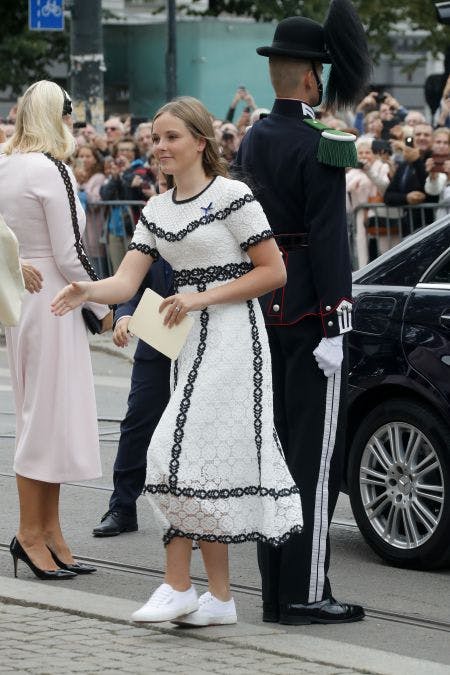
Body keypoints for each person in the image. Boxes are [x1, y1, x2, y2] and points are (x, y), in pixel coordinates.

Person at [52, 96, 303, 626]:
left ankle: (176, 585)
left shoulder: (233, 196)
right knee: (196, 463)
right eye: (155, 138)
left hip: (234, 337)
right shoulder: (157, 208)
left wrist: (201, 297)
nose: (160, 147)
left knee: (171, 453)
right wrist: (86, 291)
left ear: (200, 141)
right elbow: (127, 279)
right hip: (182, 338)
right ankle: (220, 597)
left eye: (170, 137)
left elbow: (273, 272)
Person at [235, 0, 370, 625]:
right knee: (313, 466)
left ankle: (275, 591)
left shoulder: (255, 137)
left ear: (276, 75)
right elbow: (329, 241)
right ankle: (306, 592)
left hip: (266, 315)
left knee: (275, 461)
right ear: (314, 78)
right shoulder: (326, 142)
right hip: (313, 319)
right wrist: (338, 323)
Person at [0, 80, 110, 580]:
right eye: (68, 114)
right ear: (55, 117)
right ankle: (30, 533)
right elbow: (72, 254)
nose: (72, 122)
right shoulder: (52, 170)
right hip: (58, 298)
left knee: (38, 416)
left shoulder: (6, 163)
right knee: (49, 418)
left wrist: (14, 260)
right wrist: (104, 301)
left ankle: (49, 532)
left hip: (26, 299)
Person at [93, 171, 173, 537]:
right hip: (158, 338)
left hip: (205, 338)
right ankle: (122, 506)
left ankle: (191, 521)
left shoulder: (217, 211)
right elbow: (132, 284)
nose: (166, 192)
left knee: (192, 430)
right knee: (138, 421)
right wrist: (124, 316)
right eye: (162, 185)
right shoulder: (154, 218)